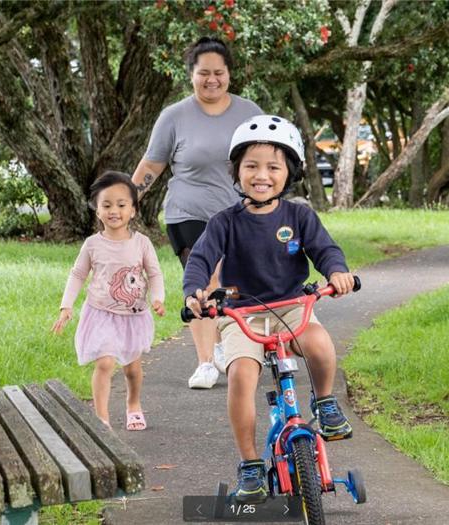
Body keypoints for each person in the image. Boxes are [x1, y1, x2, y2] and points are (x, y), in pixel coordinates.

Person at [183, 115, 355, 503]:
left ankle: (325, 402)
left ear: (288, 173)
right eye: (251, 166)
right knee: (242, 376)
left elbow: (325, 250)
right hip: (242, 314)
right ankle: (250, 465)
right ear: (237, 172)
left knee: (321, 344)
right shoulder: (225, 222)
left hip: (293, 306)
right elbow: (200, 259)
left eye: (273, 167)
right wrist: (195, 292)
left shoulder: (299, 216)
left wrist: (338, 272)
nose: (262, 175)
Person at [131, 36, 263, 390]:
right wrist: (128, 199)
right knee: (205, 282)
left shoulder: (250, 113)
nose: (212, 80)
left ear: (229, 74)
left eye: (218, 73)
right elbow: (153, 165)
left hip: (237, 213)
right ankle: (206, 362)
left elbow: (268, 161)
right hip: (187, 212)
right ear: (191, 74)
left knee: (231, 285)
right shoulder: (174, 117)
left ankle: (222, 344)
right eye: (203, 73)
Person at [52, 171, 165, 431]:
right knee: (104, 362)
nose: (114, 210)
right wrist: (66, 306)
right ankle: (101, 419)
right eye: (107, 205)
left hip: (133, 315)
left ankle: (133, 403)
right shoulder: (92, 244)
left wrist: (158, 298)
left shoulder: (142, 243)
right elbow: (78, 274)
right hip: (100, 312)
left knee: (132, 369)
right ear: (97, 211)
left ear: (134, 210)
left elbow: (155, 273)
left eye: (121, 205)